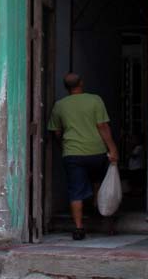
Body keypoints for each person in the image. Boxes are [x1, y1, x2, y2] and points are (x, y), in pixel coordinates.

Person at [47, 72, 119, 240]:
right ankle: (103, 217)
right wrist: (112, 148)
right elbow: (102, 126)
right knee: (99, 184)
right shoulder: (95, 100)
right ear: (82, 83)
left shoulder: (60, 105)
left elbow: (56, 131)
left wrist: (64, 144)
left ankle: (79, 228)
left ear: (66, 88)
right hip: (97, 151)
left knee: (76, 191)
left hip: (73, 153)